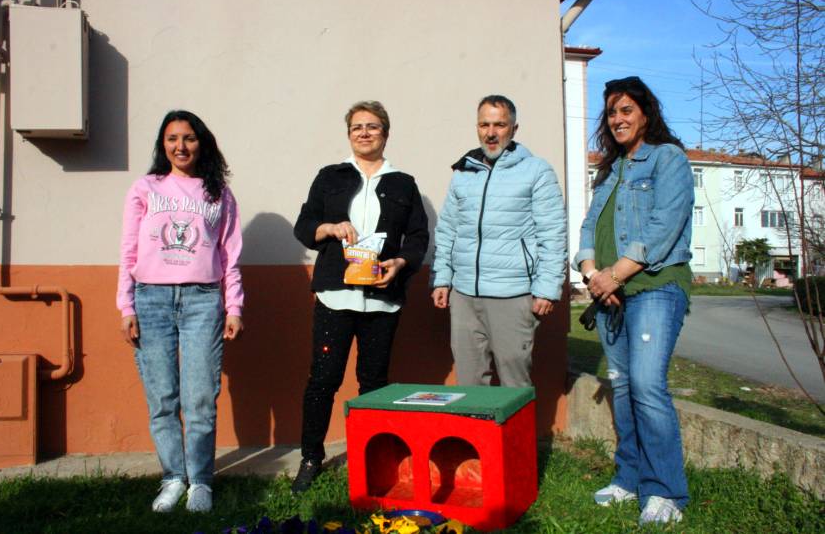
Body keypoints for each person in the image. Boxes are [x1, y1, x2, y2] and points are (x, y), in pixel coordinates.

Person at [574, 76, 693, 525]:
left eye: (626, 110)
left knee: (646, 385)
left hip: (655, 287)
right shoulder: (611, 169)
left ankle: (665, 493)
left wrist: (615, 275)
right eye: (611, 112)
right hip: (609, 293)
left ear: (645, 113)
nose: (618, 118)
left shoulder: (668, 159)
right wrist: (592, 273)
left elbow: (663, 227)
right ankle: (629, 480)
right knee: (622, 386)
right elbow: (588, 228)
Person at [292, 101, 429, 492]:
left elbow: (418, 236)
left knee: (374, 381)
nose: (364, 133)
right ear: (348, 133)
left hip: (382, 300)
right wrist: (330, 227)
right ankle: (311, 457)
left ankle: (371, 456)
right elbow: (304, 228)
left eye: (372, 126)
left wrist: (400, 264)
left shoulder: (403, 182)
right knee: (323, 378)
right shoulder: (330, 177)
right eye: (357, 127)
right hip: (335, 297)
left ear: (385, 132)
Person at [117, 110, 244, 513]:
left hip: (203, 300)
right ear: (163, 145)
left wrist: (234, 306)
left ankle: (201, 482)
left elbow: (230, 254)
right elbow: (128, 250)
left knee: (201, 398)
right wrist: (126, 305)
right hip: (150, 300)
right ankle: (173, 478)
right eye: (172, 138)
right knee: (163, 397)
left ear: (201, 142)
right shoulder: (145, 188)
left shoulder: (217, 193)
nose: (181, 146)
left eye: (188, 138)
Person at [431, 95, 567, 388]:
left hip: (513, 295)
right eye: (484, 124)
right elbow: (448, 230)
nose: (491, 132)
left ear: (514, 129)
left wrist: (547, 288)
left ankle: (516, 437)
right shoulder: (463, 173)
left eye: (499, 125)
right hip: (464, 295)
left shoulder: (537, 171)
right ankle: (475, 436)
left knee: (514, 383)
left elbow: (553, 233)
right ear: (477, 127)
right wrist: (443, 279)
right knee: (469, 384)